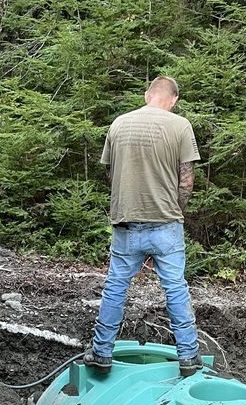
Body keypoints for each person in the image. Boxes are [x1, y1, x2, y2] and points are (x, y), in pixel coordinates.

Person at [84, 76, 203, 376]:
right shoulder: (180, 126)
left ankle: (101, 353)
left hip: (126, 222)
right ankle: (189, 357)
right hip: (166, 223)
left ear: (147, 95)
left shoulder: (119, 124)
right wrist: (175, 211)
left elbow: (110, 174)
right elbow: (186, 181)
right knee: (175, 288)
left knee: (115, 287)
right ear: (174, 100)